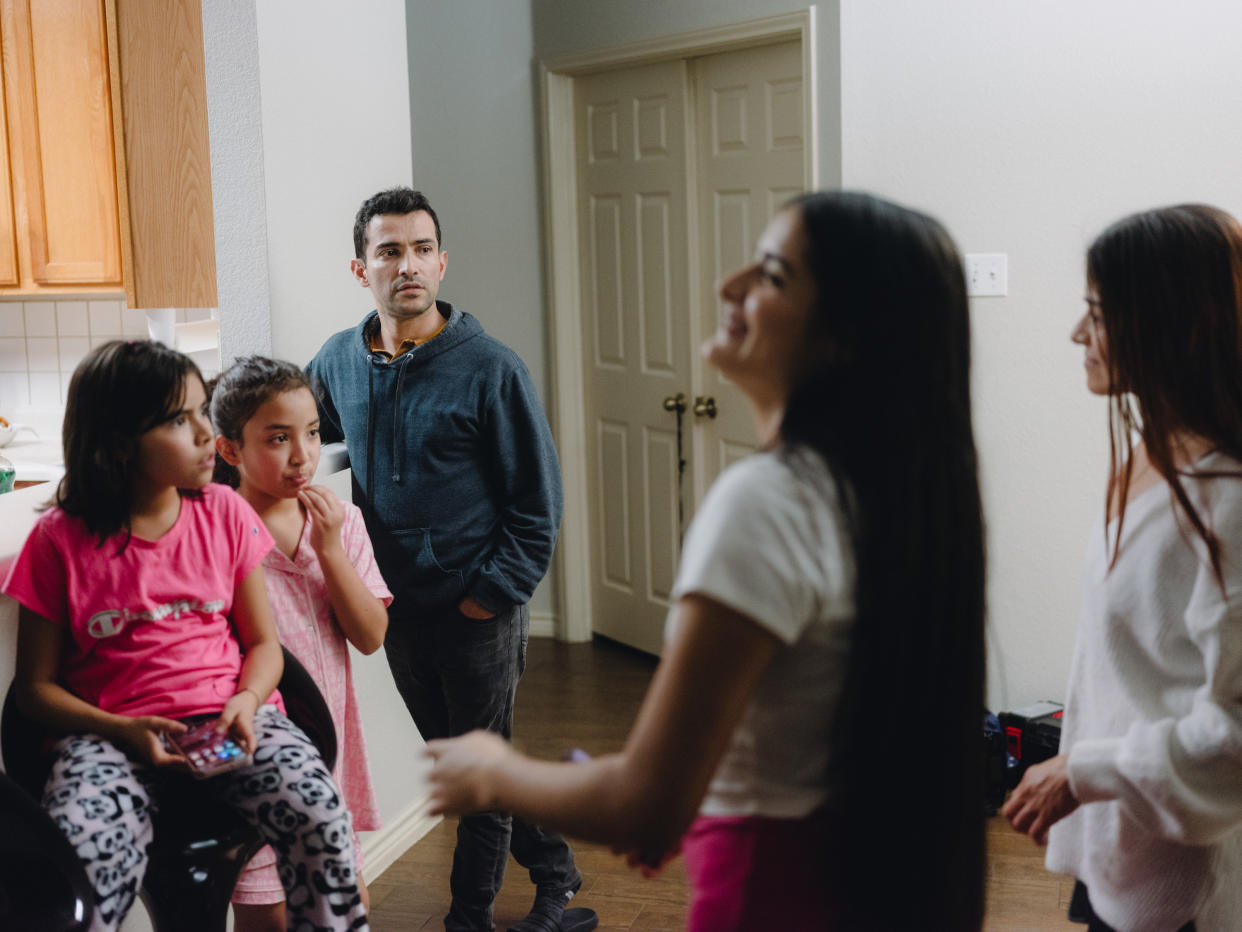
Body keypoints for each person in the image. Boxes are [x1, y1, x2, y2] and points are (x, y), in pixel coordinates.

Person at [425, 191, 988, 931]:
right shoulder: (897, 494)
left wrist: (495, 773)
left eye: (775, 274)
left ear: (851, 332)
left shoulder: (768, 502)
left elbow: (648, 808)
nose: (730, 285)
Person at [3, 340, 369, 932]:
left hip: (231, 721)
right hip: (108, 739)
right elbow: (35, 691)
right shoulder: (57, 541)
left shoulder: (224, 512)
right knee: (80, 863)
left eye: (203, 411)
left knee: (322, 816)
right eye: (180, 419)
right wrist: (122, 729)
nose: (205, 433)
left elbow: (263, 647)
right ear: (118, 442)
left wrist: (247, 704)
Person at [307, 187, 595, 932]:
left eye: (422, 249)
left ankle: (469, 919)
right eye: (390, 251)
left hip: (478, 608)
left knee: (475, 773)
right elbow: (302, 432)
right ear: (359, 267)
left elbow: (539, 501)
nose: (409, 265)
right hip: (396, 609)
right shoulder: (338, 360)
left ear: (442, 260)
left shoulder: (490, 369)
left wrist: (493, 594)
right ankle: (558, 871)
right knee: (464, 762)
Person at [1003, 204, 1242, 931]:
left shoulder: (1228, 503)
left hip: (1185, 882)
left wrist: (1083, 769)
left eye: (1097, 315)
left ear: (1169, 323)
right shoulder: (1150, 452)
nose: (1079, 334)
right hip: (1122, 845)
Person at [210, 356, 392, 932]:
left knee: (346, 907)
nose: (303, 455)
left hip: (329, 755)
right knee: (271, 916)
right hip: (255, 762)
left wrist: (331, 551)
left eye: (312, 434)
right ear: (230, 449)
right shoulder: (212, 534)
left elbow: (370, 636)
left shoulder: (341, 522)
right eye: (279, 438)